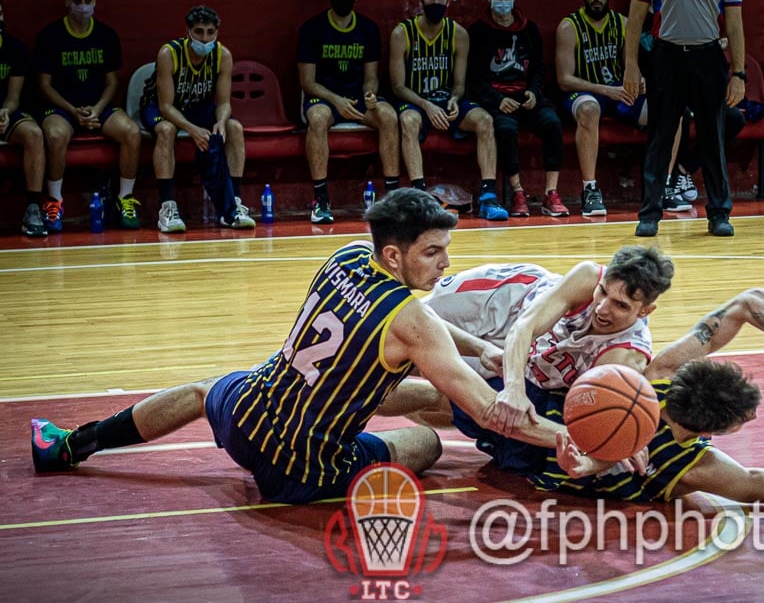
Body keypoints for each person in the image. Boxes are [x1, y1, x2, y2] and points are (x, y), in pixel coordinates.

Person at [30, 189, 581, 503]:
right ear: (394, 256)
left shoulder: (344, 256)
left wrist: (476, 349)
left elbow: (420, 332)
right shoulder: (413, 321)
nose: (445, 264)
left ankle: (75, 445)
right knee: (425, 443)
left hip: (249, 411)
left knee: (204, 390)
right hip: (301, 468)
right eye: (433, 252)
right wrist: (567, 438)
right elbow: (489, 410)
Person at [387, 292, 764, 520]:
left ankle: (357, 392)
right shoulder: (694, 468)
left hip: (541, 424)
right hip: (542, 462)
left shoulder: (652, 376)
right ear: (719, 430)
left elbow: (749, 301)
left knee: (445, 397)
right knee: (443, 406)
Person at [420, 245, 674, 434]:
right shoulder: (587, 276)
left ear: (644, 311)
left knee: (447, 390)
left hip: (509, 351)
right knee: (399, 330)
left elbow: (603, 417)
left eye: (620, 305)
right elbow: (524, 327)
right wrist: (514, 389)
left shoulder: (624, 356)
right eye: (603, 292)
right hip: (500, 300)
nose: (602, 308)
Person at [625, 0, 746, 238]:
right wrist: (631, 66)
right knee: (660, 138)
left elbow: (735, 25)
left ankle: (719, 213)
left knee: (712, 137)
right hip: (667, 57)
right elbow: (635, 19)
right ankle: (649, 213)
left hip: (707, 58)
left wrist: (738, 73)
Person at [389, 0, 507, 221]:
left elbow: (460, 85)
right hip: (415, 100)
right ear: (421, 0)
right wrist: (426, 105)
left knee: (484, 120)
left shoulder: (458, 34)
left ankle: (488, 197)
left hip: (445, 100)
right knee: (409, 121)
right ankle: (419, 199)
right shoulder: (403, 33)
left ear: (448, 0)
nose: (436, 2)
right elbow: (398, 87)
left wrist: (454, 99)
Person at [34, 0, 142, 232]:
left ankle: (124, 199)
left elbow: (112, 82)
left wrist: (97, 109)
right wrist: (73, 111)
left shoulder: (106, 35)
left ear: (95, 1)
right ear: (67, 2)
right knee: (56, 135)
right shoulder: (49, 36)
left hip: (98, 106)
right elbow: (44, 85)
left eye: (88, 0)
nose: (83, 6)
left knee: (132, 132)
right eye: (77, 1)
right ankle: (55, 202)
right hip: (63, 107)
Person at [138, 5, 255, 232]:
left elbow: (223, 103)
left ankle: (233, 207)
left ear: (217, 32)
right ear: (188, 32)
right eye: (199, 32)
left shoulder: (223, 55)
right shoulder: (168, 54)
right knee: (167, 130)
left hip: (197, 107)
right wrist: (193, 130)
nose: (205, 38)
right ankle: (167, 207)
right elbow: (165, 106)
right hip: (160, 107)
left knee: (234, 128)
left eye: (210, 32)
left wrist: (220, 121)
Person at [297, 0, 399, 224]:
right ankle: (320, 201)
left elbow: (372, 75)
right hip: (324, 97)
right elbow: (307, 82)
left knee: (388, 115)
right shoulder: (311, 29)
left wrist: (371, 94)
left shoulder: (368, 29)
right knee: (318, 118)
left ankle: (392, 200)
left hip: (357, 98)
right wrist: (336, 101)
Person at [468, 0, 568, 218]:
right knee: (505, 130)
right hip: (497, 100)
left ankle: (551, 193)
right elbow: (475, 78)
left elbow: (538, 68)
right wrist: (497, 100)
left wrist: (534, 92)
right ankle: (518, 192)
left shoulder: (529, 29)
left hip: (526, 98)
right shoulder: (477, 32)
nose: (503, 0)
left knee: (553, 124)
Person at [555, 0, 649, 218]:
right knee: (589, 108)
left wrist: (639, 80)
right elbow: (564, 80)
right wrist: (605, 89)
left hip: (617, 93)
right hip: (583, 94)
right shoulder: (569, 26)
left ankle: (665, 183)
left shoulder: (623, 24)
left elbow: (633, 66)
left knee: (666, 110)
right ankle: (590, 189)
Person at [0, 0, 48, 237]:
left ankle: (32, 208)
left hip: (4, 114)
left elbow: (13, 96)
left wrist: (6, 112)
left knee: (34, 133)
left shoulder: (14, 48)